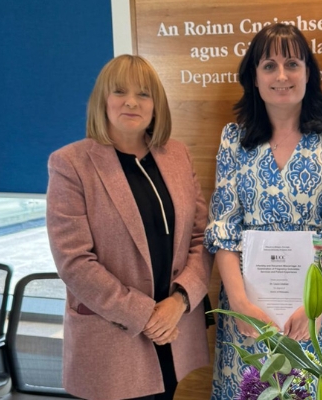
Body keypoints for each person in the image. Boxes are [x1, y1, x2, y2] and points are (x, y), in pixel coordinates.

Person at [204, 23, 322, 399]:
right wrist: (239, 304)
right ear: (254, 78)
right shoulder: (233, 140)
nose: (282, 75)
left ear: (308, 73)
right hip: (247, 308)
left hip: (314, 309)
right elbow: (223, 230)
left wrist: (314, 304)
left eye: (293, 63)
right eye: (269, 65)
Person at [46, 54, 211, 400]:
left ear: (156, 105)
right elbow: (74, 262)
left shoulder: (177, 156)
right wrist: (147, 314)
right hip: (114, 339)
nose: (132, 102)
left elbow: (200, 238)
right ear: (102, 100)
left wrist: (179, 301)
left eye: (144, 94)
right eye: (120, 91)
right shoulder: (70, 164)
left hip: (173, 334)